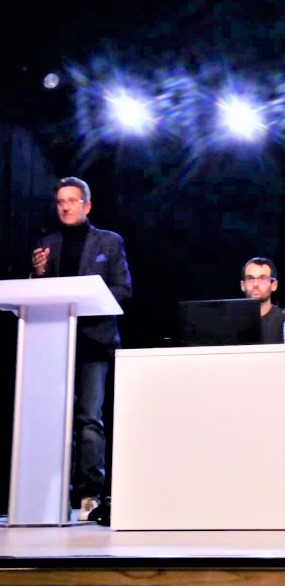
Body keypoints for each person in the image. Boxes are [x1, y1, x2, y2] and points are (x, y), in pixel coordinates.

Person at [31, 176, 132, 521]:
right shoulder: (49, 244)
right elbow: (38, 296)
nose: (65, 206)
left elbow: (124, 290)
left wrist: (91, 294)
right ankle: (53, 495)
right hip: (54, 344)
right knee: (54, 421)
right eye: (60, 201)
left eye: (72, 200)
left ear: (86, 205)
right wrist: (39, 274)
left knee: (89, 421)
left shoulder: (109, 242)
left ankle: (90, 495)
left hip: (94, 344)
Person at [240, 256, 285, 343]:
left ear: (274, 285)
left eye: (262, 279)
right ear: (242, 285)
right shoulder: (233, 322)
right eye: (250, 279)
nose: (255, 284)